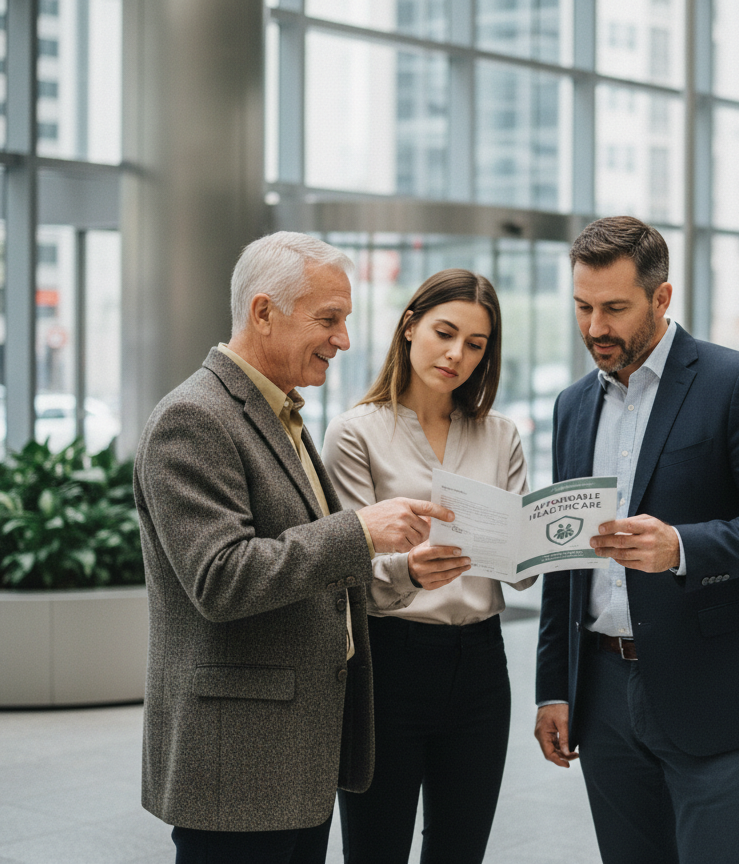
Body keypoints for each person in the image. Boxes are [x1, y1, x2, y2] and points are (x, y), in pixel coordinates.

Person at [133, 231, 454, 864]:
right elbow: (221, 578)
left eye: (346, 320)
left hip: (293, 759)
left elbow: (301, 566)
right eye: (328, 319)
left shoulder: (281, 413)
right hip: (238, 768)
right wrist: (360, 532)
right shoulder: (192, 419)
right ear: (262, 312)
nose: (344, 339)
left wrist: (399, 567)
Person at [533, 217, 739, 864]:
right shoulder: (572, 406)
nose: (595, 327)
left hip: (712, 687)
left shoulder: (738, 383)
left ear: (662, 299)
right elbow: (564, 560)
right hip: (601, 695)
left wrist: (681, 548)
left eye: (614, 308)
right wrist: (555, 687)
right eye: (582, 306)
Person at [323, 268, 535, 864]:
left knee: (461, 851)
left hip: (481, 667)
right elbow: (345, 570)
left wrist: (542, 548)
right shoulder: (355, 435)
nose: (456, 355)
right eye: (445, 332)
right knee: (376, 849)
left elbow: (519, 569)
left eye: (476, 345)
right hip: (388, 663)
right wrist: (409, 572)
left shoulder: (501, 435)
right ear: (410, 325)